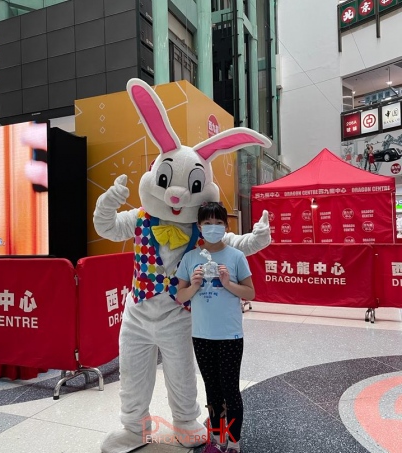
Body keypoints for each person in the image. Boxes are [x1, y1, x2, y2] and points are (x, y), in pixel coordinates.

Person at [93, 78, 272, 453]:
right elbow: (106, 228)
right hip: (138, 312)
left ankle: (186, 421)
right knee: (133, 375)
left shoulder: (200, 228)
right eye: (166, 181)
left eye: (189, 186)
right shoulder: (140, 217)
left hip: (178, 313)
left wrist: (257, 238)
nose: (175, 194)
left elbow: (234, 244)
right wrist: (108, 202)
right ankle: (133, 426)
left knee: (181, 375)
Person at [176, 202, 255, 453]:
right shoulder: (190, 258)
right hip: (201, 335)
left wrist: (227, 283)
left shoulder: (236, 257)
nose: (213, 228)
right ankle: (217, 439)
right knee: (211, 389)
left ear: (226, 226)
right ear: (199, 227)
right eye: (207, 223)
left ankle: (233, 442)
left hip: (230, 335)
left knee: (230, 389)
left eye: (218, 223)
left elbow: (250, 292)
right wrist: (195, 285)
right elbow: (180, 295)